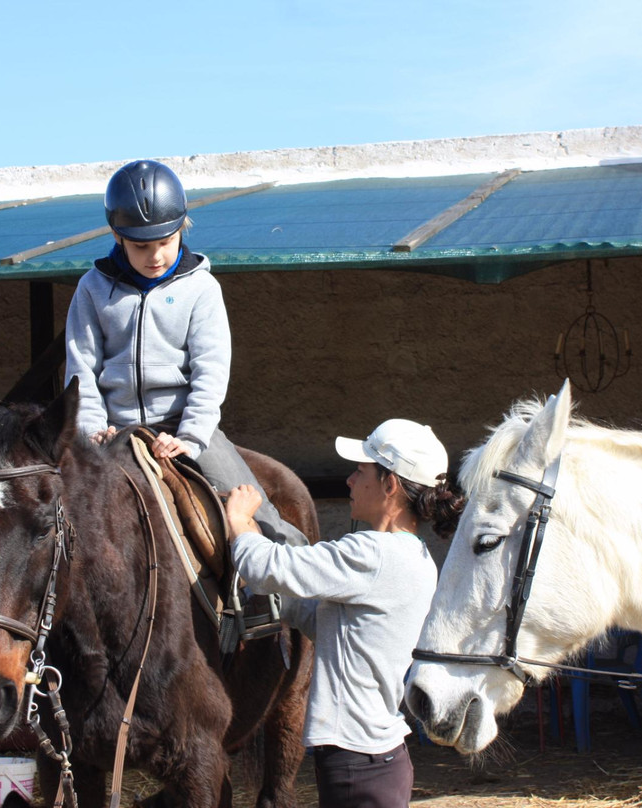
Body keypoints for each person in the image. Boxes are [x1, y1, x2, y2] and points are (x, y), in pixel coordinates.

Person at [225, 418, 466, 808]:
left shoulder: (373, 554)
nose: (350, 480)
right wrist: (280, 600)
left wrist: (240, 520)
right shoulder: (413, 557)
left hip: (357, 762)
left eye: (360, 471)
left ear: (390, 484)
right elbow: (333, 627)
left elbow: (269, 566)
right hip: (371, 758)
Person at [65, 158, 306, 546]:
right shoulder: (92, 289)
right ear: (116, 235)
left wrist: (190, 438)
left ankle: (296, 565)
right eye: (141, 246)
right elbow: (81, 370)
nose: (155, 256)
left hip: (181, 426)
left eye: (165, 241)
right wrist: (92, 431)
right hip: (112, 431)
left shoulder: (202, 289)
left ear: (182, 228)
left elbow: (211, 371)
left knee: (263, 517)